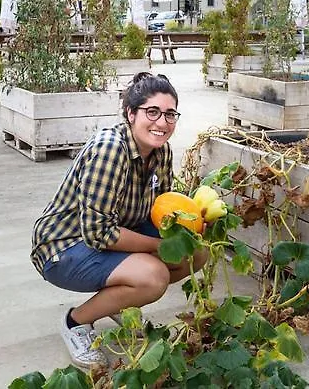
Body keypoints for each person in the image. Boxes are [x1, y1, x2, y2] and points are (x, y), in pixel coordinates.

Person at [30, 72, 207, 369]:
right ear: (130, 113)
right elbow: (99, 233)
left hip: (118, 230)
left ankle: (118, 300)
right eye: (152, 112)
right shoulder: (110, 149)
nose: (162, 123)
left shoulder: (161, 150)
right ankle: (76, 323)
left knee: (196, 251)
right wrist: (158, 246)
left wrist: (196, 221)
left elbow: (163, 209)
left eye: (169, 114)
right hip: (65, 247)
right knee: (153, 276)